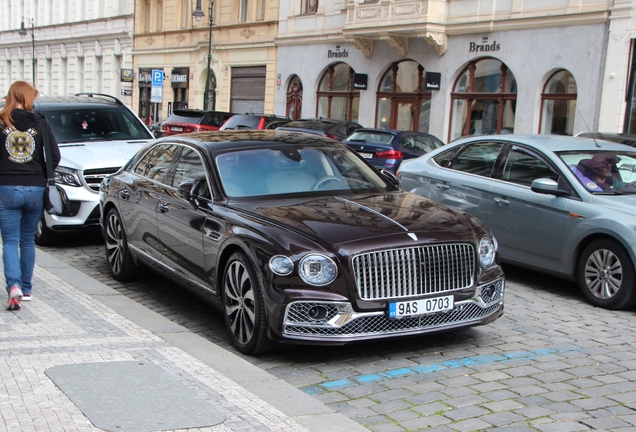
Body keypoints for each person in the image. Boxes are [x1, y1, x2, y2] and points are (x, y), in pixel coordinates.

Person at [0, 81, 60, 310]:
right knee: (27, 240)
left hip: (6, 188)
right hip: (35, 188)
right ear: (27, 98)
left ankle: (13, 286)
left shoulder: (1, 121)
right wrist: (41, 175)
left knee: (10, 241)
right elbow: (54, 156)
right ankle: (26, 289)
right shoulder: (41, 122)